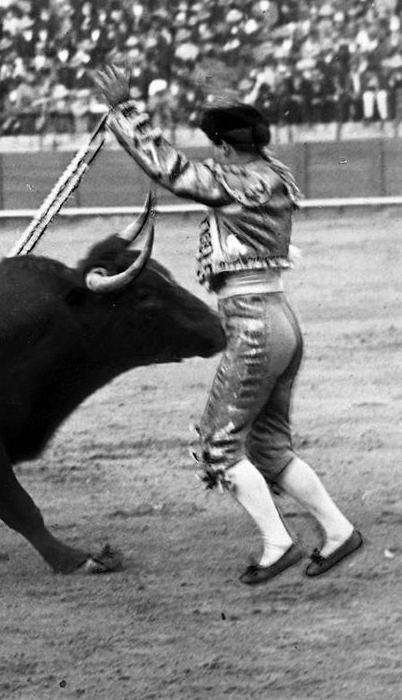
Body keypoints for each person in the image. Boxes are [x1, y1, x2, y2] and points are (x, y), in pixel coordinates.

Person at [93, 65, 364, 585]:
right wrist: (223, 100)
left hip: (255, 325)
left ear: (223, 145)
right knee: (268, 447)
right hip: (280, 318)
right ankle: (337, 532)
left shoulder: (239, 181)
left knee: (218, 445)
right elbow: (228, 143)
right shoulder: (270, 172)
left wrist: (124, 111)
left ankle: (277, 541)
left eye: (215, 143)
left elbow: (170, 170)